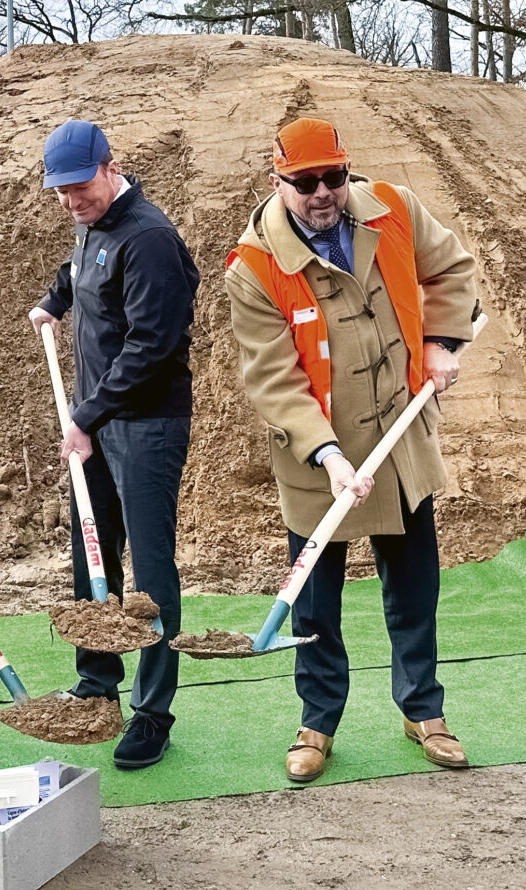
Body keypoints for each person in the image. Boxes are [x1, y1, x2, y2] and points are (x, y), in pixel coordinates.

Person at [225, 117, 477, 782]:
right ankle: (317, 721)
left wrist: (439, 344)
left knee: (414, 588)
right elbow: (273, 380)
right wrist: (329, 455)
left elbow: (453, 268)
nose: (321, 193)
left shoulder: (392, 209)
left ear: (346, 172)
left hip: (400, 448)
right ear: (277, 183)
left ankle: (423, 709)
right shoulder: (254, 266)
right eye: (304, 182)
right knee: (315, 607)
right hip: (319, 462)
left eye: (333, 177)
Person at [28, 119, 200, 771]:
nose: (73, 201)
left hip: (147, 423)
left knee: (149, 568)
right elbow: (80, 271)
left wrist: (88, 413)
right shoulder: (91, 223)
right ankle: (97, 682)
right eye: (62, 192)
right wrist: (53, 300)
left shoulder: (150, 238)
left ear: (110, 167)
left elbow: (151, 347)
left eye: (80, 187)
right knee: (92, 550)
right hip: (98, 422)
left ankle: (152, 712)